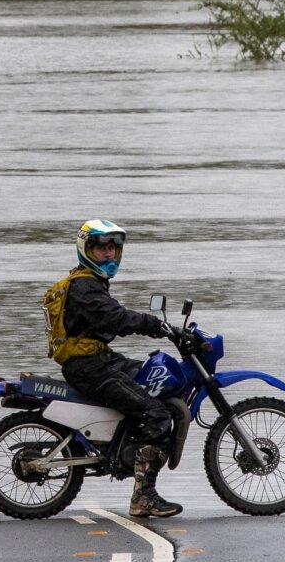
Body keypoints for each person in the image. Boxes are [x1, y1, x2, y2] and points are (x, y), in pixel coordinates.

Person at [42, 219, 183, 518]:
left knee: (149, 374)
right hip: (90, 368)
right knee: (156, 412)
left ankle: (129, 442)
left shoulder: (88, 282)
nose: (107, 255)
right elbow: (116, 318)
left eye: (111, 249)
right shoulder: (84, 287)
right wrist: (156, 325)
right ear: (86, 250)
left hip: (98, 360)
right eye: (100, 249)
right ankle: (143, 498)